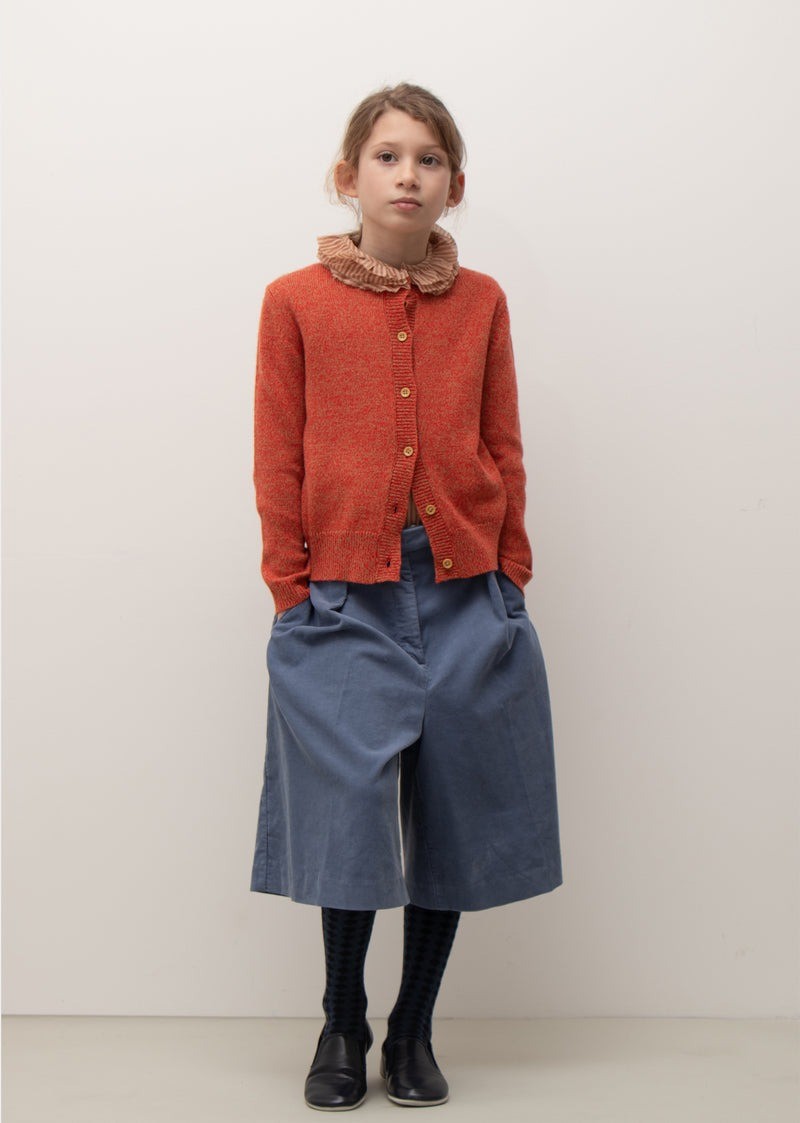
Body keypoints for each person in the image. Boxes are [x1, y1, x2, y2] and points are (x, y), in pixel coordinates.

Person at [249, 82, 563, 1111]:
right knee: (347, 817)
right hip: (342, 596)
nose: (407, 175)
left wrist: (510, 575)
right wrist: (291, 590)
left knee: (457, 811)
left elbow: (503, 442)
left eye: (429, 159)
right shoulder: (294, 301)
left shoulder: (483, 303)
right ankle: (340, 1019)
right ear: (348, 176)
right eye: (387, 156)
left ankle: (413, 1026)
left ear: (453, 185)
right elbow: (278, 453)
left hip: (468, 591)